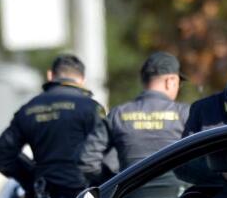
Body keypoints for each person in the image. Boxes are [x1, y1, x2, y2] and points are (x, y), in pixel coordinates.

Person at [0, 54, 106, 198]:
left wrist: (31, 178)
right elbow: (107, 156)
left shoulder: (28, 109)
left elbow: (1, 155)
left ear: (50, 75)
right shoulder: (91, 108)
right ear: (82, 80)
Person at [80, 52, 189, 182]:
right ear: (170, 81)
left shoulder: (118, 115)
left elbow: (88, 161)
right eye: (178, 83)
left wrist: (115, 184)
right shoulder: (184, 113)